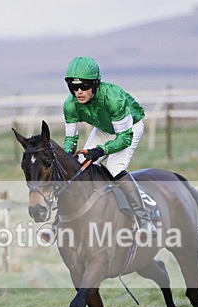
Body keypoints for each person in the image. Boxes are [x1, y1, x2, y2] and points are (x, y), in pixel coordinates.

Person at [62, 56, 158, 237]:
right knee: (80, 166)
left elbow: (123, 138)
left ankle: (144, 219)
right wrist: (67, 157)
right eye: (74, 87)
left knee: (114, 167)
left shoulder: (113, 99)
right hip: (104, 128)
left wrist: (101, 151)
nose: (79, 92)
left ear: (95, 85)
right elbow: (70, 140)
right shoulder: (70, 104)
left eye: (84, 86)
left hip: (129, 129)